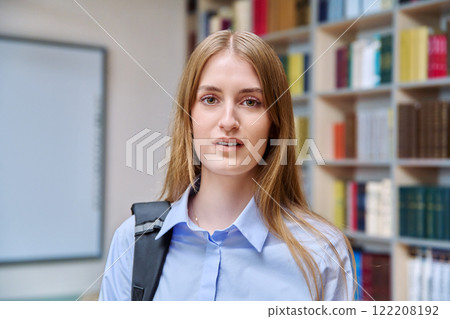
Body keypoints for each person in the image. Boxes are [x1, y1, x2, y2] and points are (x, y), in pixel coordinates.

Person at [99, 30, 356, 301]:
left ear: (275, 122)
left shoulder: (322, 252)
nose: (228, 121)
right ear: (189, 118)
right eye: (210, 99)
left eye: (250, 102)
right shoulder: (133, 241)